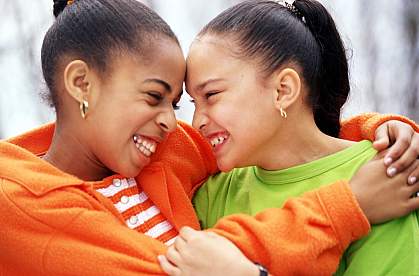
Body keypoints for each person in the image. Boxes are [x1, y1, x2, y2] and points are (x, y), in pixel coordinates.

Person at [0, 0, 418, 275]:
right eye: (153, 97)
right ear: (81, 83)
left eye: (179, 103)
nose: (177, 122)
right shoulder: (17, 206)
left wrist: (385, 136)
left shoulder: (164, 155)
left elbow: (295, 140)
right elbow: (173, 267)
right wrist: (348, 206)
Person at [158, 0, 419, 275]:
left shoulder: (381, 178)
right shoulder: (212, 192)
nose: (197, 121)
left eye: (211, 95)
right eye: (193, 102)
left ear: (283, 90)